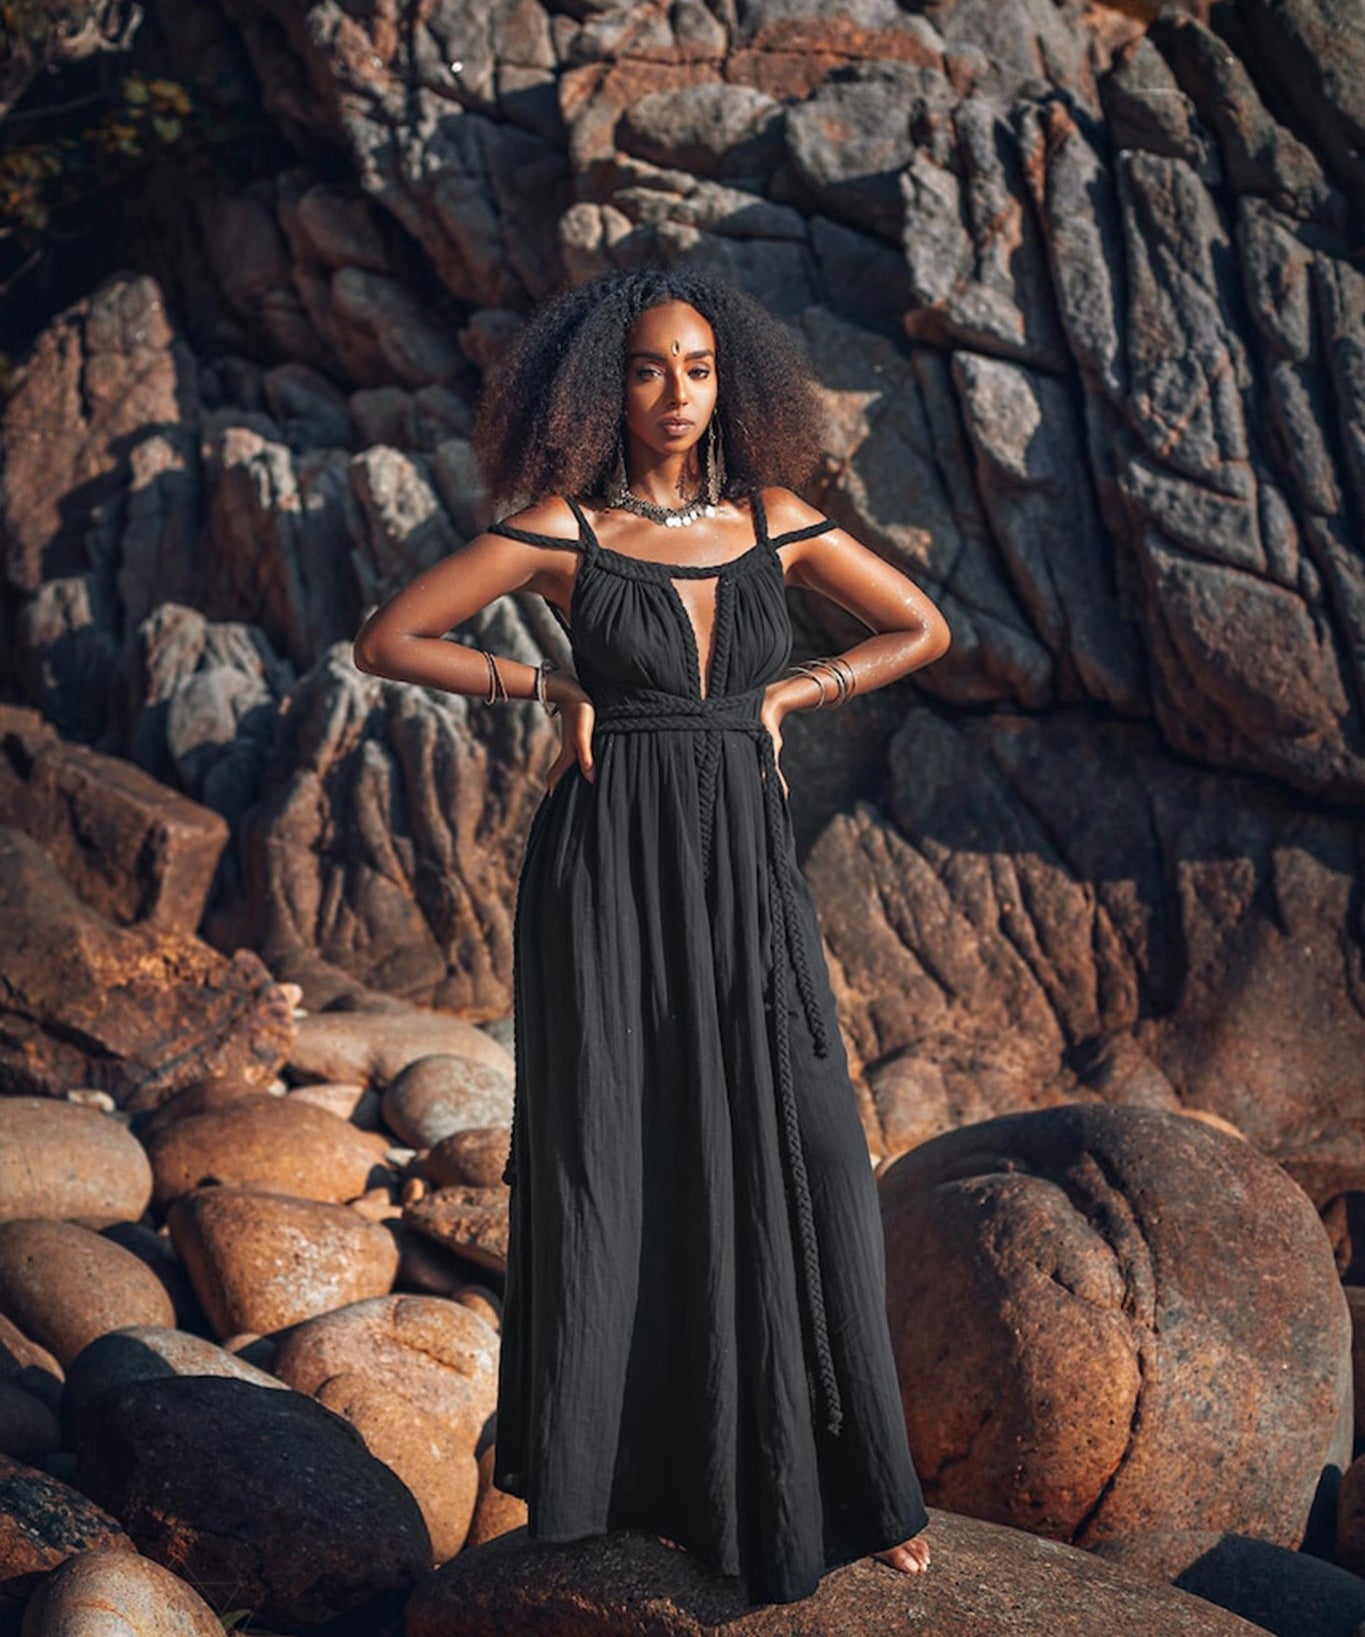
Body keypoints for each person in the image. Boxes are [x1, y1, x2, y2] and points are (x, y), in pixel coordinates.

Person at [352, 264, 951, 1605]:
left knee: (813, 1152)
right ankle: (615, 1484)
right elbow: (388, 636)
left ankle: (854, 1489)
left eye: (694, 368)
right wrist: (540, 678)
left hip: (742, 867)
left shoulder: (775, 519)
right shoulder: (563, 528)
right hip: (604, 869)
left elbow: (922, 624)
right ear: (598, 385)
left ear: (727, 378)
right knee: (618, 1155)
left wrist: (797, 689)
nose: (674, 394)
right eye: (644, 368)